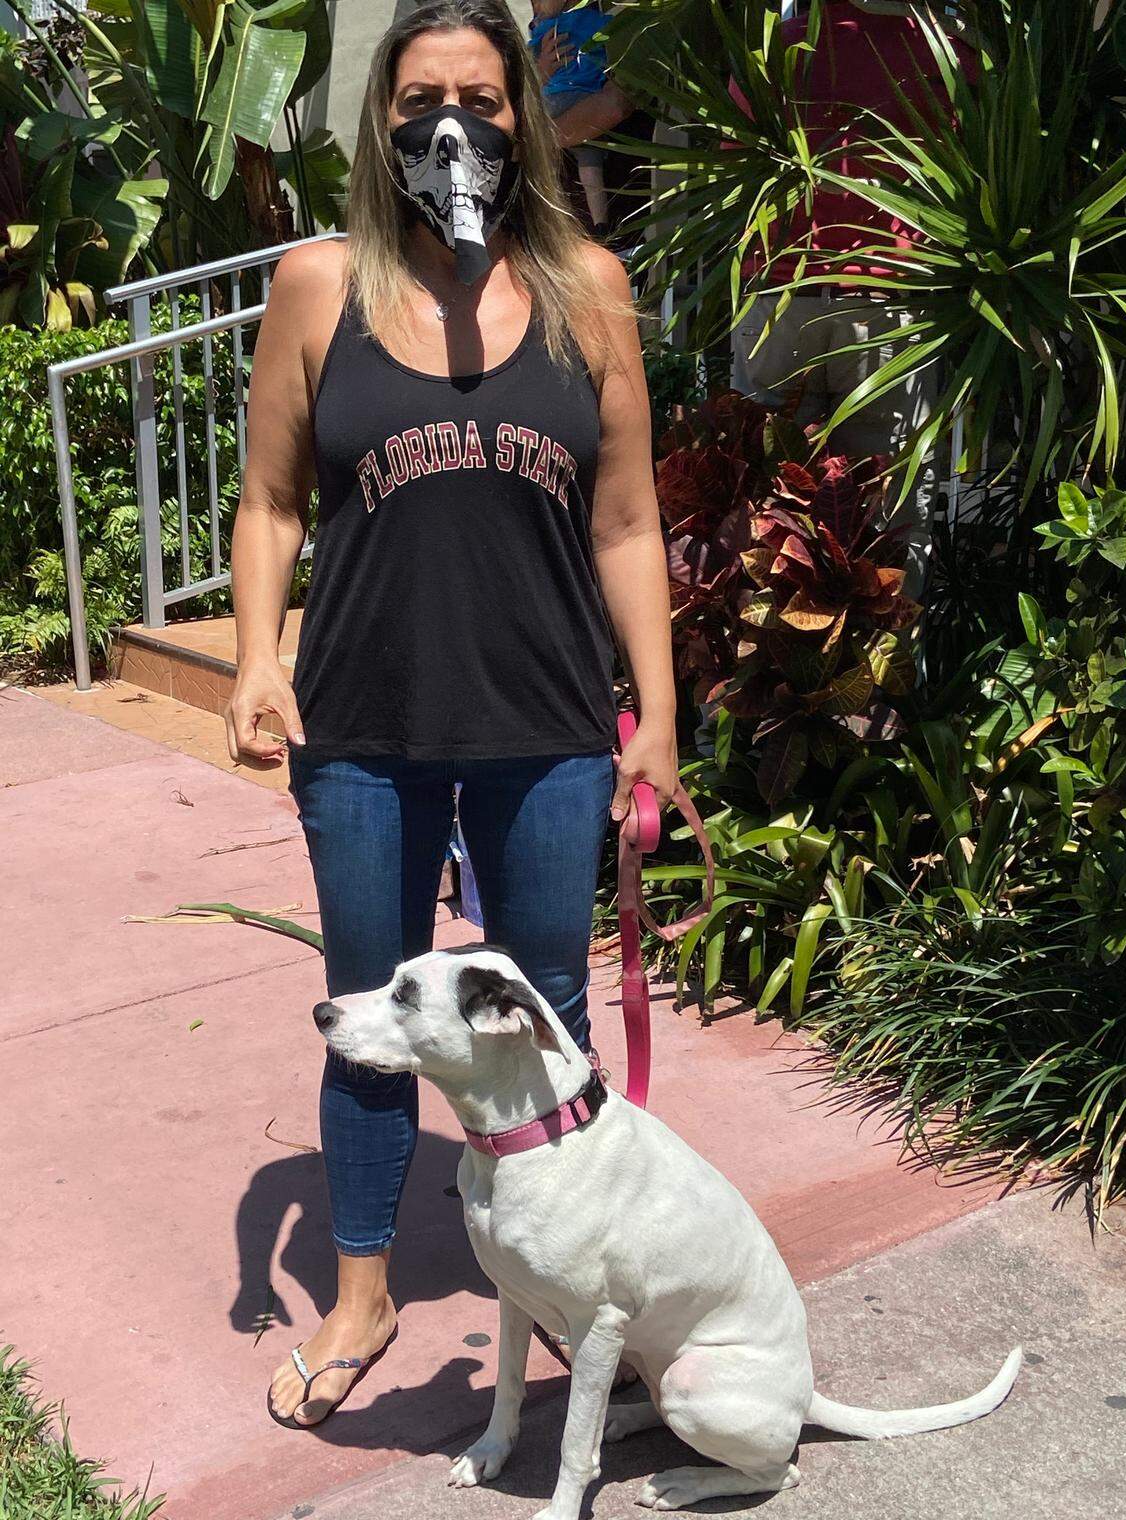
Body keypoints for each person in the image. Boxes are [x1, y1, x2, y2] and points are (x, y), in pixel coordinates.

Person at [223, 0, 677, 1430]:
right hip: (362, 729)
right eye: (424, 99)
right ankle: (363, 1293)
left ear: (523, 119)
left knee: (545, 1019)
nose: (452, 127)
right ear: (381, 119)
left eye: (482, 99)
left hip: (546, 728)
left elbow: (625, 519)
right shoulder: (318, 286)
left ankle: (560, 1287)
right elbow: (272, 500)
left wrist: (652, 716)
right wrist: (253, 658)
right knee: (374, 1012)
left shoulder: (590, 288)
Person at [731, 0, 974, 596]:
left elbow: (732, 167)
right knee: (888, 514)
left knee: (765, 505)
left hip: (782, 299)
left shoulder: (779, 50)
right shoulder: (951, 57)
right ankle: (883, 675)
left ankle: (764, 669)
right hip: (888, 309)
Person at [530, 0, 610, 234]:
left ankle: (547, 219)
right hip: (585, 98)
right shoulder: (598, 20)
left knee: (546, 169)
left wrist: (538, 143)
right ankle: (601, 225)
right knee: (590, 163)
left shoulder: (551, 26)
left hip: (554, 100)